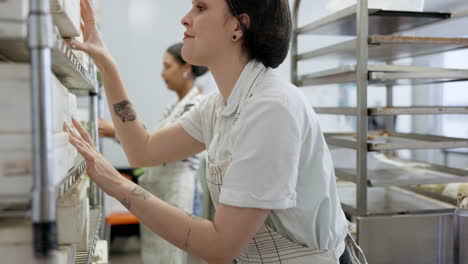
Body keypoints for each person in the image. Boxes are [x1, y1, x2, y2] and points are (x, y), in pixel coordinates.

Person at [67, 0, 366, 263]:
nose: (185, 18)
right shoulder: (218, 105)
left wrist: (115, 184)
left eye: (200, 7)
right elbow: (142, 149)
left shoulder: (272, 107)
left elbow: (220, 246)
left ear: (238, 27)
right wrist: (106, 64)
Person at [98, 43, 207, 264]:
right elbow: (151, 140)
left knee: (170, 256)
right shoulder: (173, 106)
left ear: (186, 68)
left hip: (175, 193)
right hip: (159, 193)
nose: (162, 72)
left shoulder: (197, 105)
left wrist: (116, 130)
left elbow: (158, 147)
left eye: (167, 66)